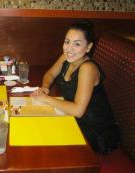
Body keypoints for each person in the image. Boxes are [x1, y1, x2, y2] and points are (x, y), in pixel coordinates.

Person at [31, 20, 119, 154]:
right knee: (36, 126)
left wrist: (45, 99)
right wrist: (45, 86)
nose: (69, 48)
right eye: (67, 42)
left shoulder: (88, 68)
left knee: (44, 140)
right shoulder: (67, 57)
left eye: (77, 44)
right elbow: (50, 74)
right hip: (72, 117)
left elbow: (78, 110)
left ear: (88, 47)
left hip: (94, 130)